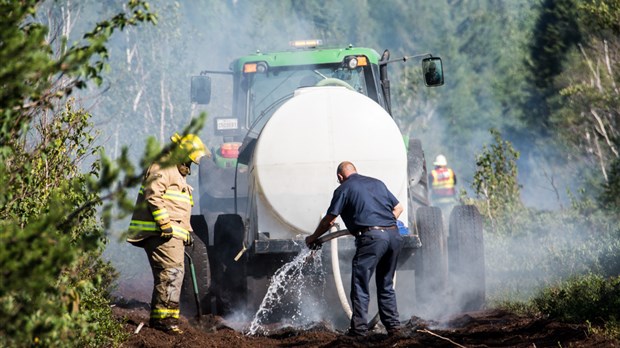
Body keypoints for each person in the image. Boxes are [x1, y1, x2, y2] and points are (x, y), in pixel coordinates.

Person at [305, 161, 404, 337]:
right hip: (394, 235)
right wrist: (384, 224)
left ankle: (359, 330)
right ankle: (394, 328)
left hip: (372, 238)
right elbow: (399, 208)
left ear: (340, 177)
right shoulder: (377, 183)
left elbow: (329, 219)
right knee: (386, 283)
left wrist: (313, 238)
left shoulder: (344, 188)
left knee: (360, 283)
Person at [127, 132, 210, 334]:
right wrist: (165, 224)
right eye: (189, 162)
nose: (189, 169)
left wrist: (187, 231)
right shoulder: (163, 167)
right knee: (170, 273)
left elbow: (178, 209)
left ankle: (165, 320)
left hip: (171, 234)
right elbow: (153, 195)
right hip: (161, 234)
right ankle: (164, 323)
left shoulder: (176, 174)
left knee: (175, 274)